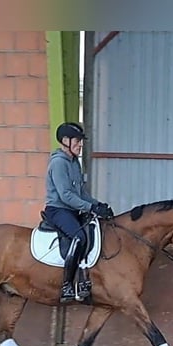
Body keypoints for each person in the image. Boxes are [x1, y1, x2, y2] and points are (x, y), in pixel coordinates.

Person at [44, 121, 114, 303]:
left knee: (94, 230)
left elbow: (81, 193)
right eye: (77, 141)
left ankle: (85, 279)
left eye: (81, 141)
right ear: (65, 141)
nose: (81, 144)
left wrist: (99, 205)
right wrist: (90, 208)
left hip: (72, 209)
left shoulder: (74, 162)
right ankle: (67, 284)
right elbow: (65, 195)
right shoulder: (59, 163)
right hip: (58, 210)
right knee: (79, 237)